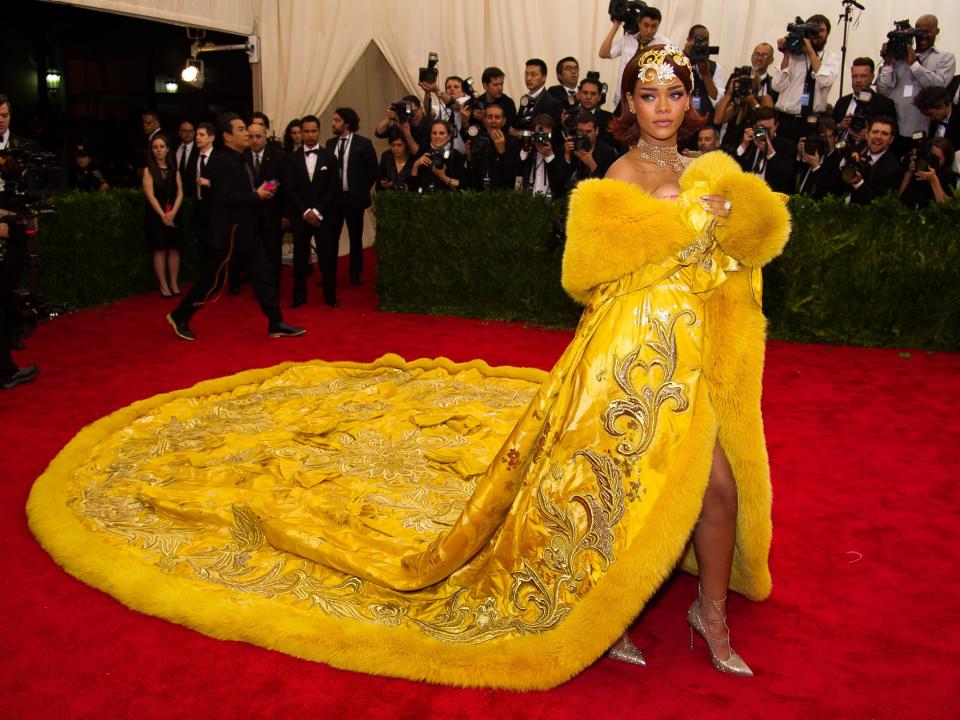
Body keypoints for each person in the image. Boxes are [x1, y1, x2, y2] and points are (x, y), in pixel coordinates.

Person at [51, 45, 788, 690]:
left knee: (715, 488)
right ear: (629, 101)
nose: (662, 106)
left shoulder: (712, 168)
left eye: (675, 93)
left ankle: (710, 612)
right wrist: (673, 222)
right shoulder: (618, 173)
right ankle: (610, 610)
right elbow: (583, 270)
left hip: (692, 350)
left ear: (692, 101)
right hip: (626, 355)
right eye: (649, 93)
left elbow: (753, 248)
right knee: (622, 489)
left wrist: (726, 221)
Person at [166, 113, 304, 340]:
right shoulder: (221, 161)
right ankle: (180, 315)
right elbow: (224, 197)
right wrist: (256, 195)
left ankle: (276, 322)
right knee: (212, 280)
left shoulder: (243, 158)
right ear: (228, 136)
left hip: (247, 231)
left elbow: (249, 188)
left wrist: (264, 190)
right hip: (227, 234)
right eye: (241, 129)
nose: (247, 133)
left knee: (264, 275)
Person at [877, 14, 956, 153]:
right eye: (919, 31)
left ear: (937, 31)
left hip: (923, 132)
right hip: (894, 131)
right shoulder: (898, 57)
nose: (922, 35)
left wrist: (914, 64)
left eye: (927, 31)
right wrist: (888, 62)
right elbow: (882, 90)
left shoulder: (945, 58)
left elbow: (938, 86)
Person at [287, 115, 338, 308]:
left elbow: (333, 189)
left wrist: (316, 212)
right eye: (305, 131)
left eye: (313, 131)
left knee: (327, 258)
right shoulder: (291, 159)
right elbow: (290, 189)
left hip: (323, 217)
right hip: (301, 217)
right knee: (299, 259)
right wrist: (306, 211)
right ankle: (299, 297)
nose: (309, 135)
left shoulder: (329, 158)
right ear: (300, 133)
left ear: (319, 132)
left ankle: (330, 297)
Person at [325, 107, 378, 286]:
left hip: (354, 199)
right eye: (333, 120)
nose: (333, 123)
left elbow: (373, 172)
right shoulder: (330, 143)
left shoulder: (363, 143)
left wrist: (361, 191)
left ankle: (355, 274)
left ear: (347, 123)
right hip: (334, 200)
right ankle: (329, 273)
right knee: (331, 237)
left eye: (336, 120)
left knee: (356, 238)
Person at [771, 13, 840, 143]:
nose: (817, 34)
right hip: (785, 120)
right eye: (813, 30)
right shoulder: (793, 55)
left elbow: (825, 81)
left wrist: (810, 52)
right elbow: (777, 86)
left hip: (810, 123)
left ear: (827, 34)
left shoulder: (831, 58)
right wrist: (786, 54)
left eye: (822, 30)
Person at [599, 4, 671, 107]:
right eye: (646, 25)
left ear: (658, 25)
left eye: (654, 26)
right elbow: (603, 53)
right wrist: (616, 25)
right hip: (623, 99)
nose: (649, 30)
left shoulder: (665, 44)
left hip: (649, 101)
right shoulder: (627, 40)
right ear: (639, 23)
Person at [247, 120, 288, 290]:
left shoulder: (278, 156)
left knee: (272, 254)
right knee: (254, 255)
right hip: (249, 215)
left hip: (272, 214)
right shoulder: (242, 157)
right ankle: (259, 288)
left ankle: (273, 288)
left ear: (265, 137)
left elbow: (281, 180)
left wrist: (264, 190)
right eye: (251, 137)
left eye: (258, 136)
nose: (255, 140)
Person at [141, 133, 183, 297]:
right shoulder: (148, 171)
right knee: (159, 250)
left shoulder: (174, 171)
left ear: (167, 150)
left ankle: (173, 282)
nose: (158, 150)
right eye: (155, 147)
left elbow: (180, 194)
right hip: (156, 216)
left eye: (161, 147)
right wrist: (163, 215)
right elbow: (150, 196)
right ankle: (163, 284)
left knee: (174, 249)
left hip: (173, 214)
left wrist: (172, 213)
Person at [714, 44, 778, 152]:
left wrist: (753, 101)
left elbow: (768, 121)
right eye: (756, 54)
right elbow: (718, 120)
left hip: (754, 144)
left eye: (764, 55)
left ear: (771, 60)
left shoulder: (773, 84)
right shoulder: (737, 78)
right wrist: (730, 94)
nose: (759, 58)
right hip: (731, 140)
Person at [841, 116, 904, 204]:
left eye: (884, 134)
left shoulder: (894, 169)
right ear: (867, 135)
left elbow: (878, 204)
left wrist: (858, 183)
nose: (878, 137)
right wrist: (844, 166)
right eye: (875, 132)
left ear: (891, 139)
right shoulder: (856, 150)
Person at [833, 58, 897, 144]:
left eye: (863, 76)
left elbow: (892, 137)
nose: (858, 80)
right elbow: (830, 130)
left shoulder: (884, 104)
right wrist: (840, 126)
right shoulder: (842, 102)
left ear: (872, 77)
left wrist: (869, 136)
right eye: (855, 76)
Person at [734, 107, 797, 194]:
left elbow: (786, 176)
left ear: (776, 125)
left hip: (771, 196)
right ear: (754, 127)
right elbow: (734, 167)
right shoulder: (750, 141)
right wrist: (744, 145)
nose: (766, 133)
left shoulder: (787, 145)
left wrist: (771, 153)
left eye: (769, 129)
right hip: (747, 193)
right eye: (762, 129)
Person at [551, 112, 617, 194]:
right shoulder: (570, 146)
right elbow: (557, 181)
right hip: (568, 196)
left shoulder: (607, 152)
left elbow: (607, 185)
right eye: (580, 132)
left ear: (596, 131)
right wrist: (567, 156)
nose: (584, 136)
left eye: (588, 132)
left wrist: (592, 165)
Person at [464, 103, 519, 190]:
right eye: (489, 117)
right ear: (484, 120)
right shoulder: (477, 140)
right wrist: (469, 158)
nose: (493, 120)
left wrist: (502, 152)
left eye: (497, 117)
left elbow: (513, 176)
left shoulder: (514, 142)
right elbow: (471, 176)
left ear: (504, 121)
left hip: (504, 195)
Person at [899, 136, 957, 208]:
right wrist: (909, 173)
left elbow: (947, 208)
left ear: (946, 160)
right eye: (931, 156)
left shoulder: (949, 177)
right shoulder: (920, 166)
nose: (932, 161)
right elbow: (899, 197)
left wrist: (933, 180)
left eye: (937, 158)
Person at [410, 119, 464, 193]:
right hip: (424, 201)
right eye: (434, 133)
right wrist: (416, 165)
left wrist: (444, 178)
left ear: (449, 136)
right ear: (430, 135)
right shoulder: (423, 153)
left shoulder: (456, 155)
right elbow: (412, 188)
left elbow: (463, 186)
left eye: (441, 133)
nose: (437, 136)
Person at [174, 120, 199, 198]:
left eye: (190, 131)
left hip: (193, 194)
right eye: (184, 131)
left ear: (194, 133)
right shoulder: (173, 148)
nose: (188, 134)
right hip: (175, 192)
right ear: (179, 133)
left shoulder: (199, 150)